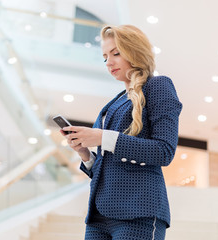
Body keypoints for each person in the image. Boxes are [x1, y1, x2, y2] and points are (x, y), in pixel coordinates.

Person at [61, 25, 182, 240]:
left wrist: (102, 137)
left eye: (116, 53)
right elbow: (107, 167)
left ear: (135, 50)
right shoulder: (113, 103)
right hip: (99, 216)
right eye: (105, 56)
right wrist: (85, 154)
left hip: (139, 212)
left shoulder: (158, 85)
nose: (109, 62)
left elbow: (164, 151)